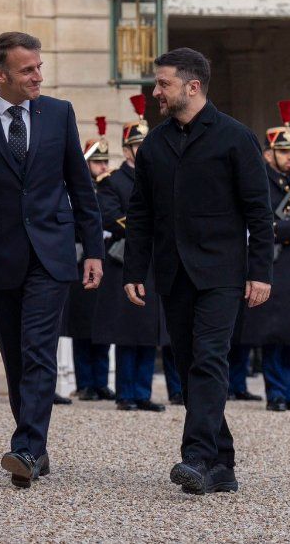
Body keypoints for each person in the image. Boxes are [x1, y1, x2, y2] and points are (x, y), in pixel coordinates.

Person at [0, 32, 104, 489]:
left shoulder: (60, 114)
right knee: (15, 356)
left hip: (52, 253)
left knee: (38, 350)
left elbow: (81, 187)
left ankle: (26, 447)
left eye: (39, 67)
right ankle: (37, 449)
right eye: (27, 69)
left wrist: (93, 250)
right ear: (0, 74)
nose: (38, 76)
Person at [123, 47, 273, 495]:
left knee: (209, 359)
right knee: (190, 365)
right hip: (174, 273)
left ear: (192, 86)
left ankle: (197, 457)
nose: (156, 91)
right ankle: (222, 463)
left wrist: (260, 271)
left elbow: (259, 212)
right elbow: (141, 213)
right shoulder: (154, 144)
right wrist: (134, 269)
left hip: (222, 274)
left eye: (163, 83)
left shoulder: (236, 138)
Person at [240, 101, 290, 413]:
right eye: (283, 152)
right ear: (269, 154)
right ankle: (277, 393)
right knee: (274, 332)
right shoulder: (261, 182)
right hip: (275, 263)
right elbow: (258, 226)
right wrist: (289, 227)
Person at [95, 96, 166, 413]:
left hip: (152, 259)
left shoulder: (158, 177)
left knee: (149, 329)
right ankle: (126, 392)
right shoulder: (113, 181)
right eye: (139, 145)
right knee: (128, 329)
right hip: (125, 259)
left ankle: (143, 391)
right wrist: (147, 225)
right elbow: (111, 217)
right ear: (127, 150)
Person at [62, 117, 112, 403]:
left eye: (105, 162)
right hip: (81, 259)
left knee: (102, 324)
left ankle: (101, 381)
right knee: (82, 326)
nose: (103, 167)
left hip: (102, 259)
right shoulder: (77, 189)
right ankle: (85, 382)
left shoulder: (108, 188)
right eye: (97, 162)